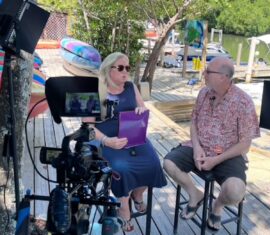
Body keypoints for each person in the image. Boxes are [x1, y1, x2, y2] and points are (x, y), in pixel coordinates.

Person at [163, 57, 260, 231]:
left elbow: (245, 145)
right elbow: (193, 123)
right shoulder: (203, 93)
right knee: (169, 163)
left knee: (235, 192)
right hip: (198, 147)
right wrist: (197, 148)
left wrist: (215, 160)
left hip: (228, 154)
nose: (204, 73)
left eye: (208, 71)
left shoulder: (243, 102)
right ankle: (195, 194)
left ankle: (217, 206)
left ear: (223, 77)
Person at [83, 52, 166, 232]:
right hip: (107, 139)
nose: (125, 72)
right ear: (108, 69)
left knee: (153, 163)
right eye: (120, 68)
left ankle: (137, 194)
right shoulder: (96, 89)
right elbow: (87, 126)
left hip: (134, 136)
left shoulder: (130, 87)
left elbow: (143, 110)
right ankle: (124, 205)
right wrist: (107, 141)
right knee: (122, 168)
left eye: (128, 68)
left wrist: (139, 110)